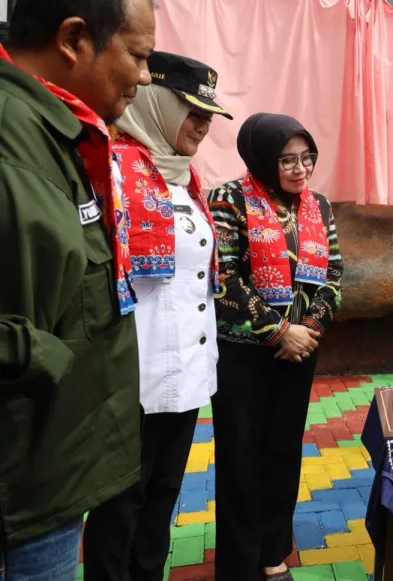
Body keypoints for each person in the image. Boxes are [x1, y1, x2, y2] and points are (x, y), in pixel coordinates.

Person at [0, 0, 154, 580]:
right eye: (138, 56)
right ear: (73, 39)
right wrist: (49, 358)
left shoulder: (60, 132)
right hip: (22, 483)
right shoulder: (14, 144)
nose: (145, 78)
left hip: (54, 464)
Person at [82, 51, 232, 581]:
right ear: (157, 103)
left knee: (162, 498)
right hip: (131, 379)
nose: (204, 125)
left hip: (185, 376)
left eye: (208, 115)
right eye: (192, 111)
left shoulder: (184, 179)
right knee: (120, 506)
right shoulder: (107, 169)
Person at [208, 113, 343, 581]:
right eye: (287, 160)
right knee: (241, 455)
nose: (300, 168)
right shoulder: (228, 199)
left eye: (307, 158)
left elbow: (334, 275)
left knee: (283, 452)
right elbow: (223, 276)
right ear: (261, 158)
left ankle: (272, 552)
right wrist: (276, 331)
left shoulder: (319, 206)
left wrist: (306, 331)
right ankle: (240, 562)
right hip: (243, 353)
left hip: (301, 350)